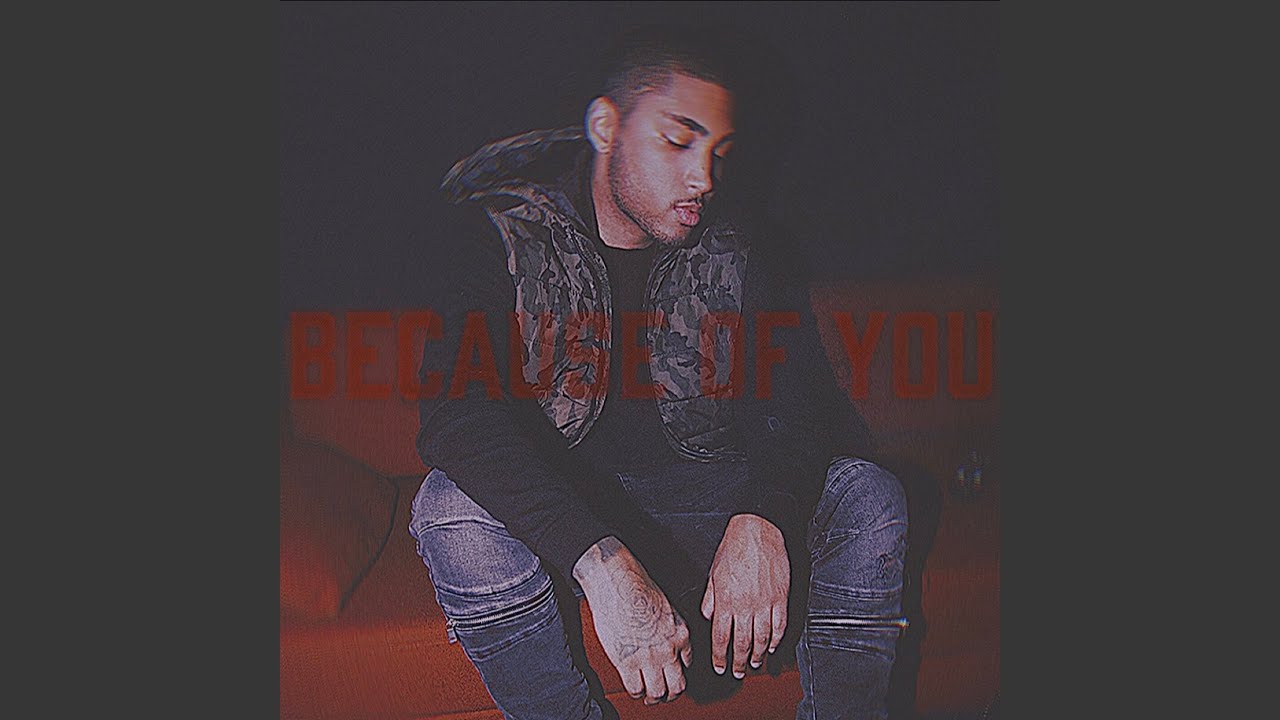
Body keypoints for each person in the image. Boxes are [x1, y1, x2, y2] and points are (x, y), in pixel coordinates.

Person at [409, 25, 908, 720]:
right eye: (678, 141)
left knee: (868, 496)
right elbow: (458, 414)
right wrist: (597, 557)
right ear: (605, 127)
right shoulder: (502, 237)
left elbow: (803, 404)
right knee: (448, 511)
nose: (704, 177)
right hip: (568, 512)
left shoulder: (741, 247)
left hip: (707, 497)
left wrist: (765, 514)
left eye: (718, 152)